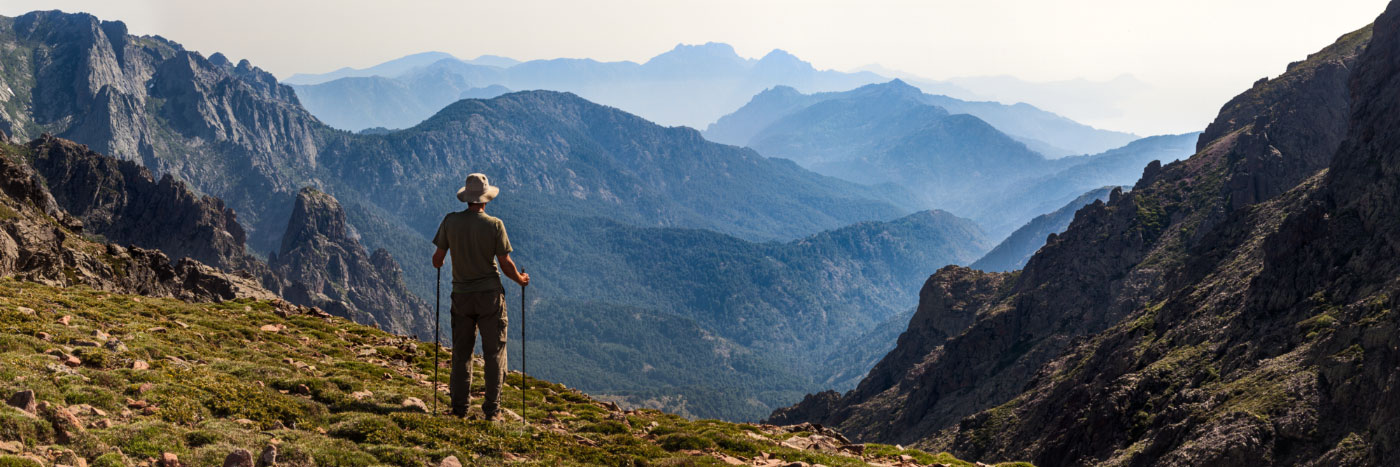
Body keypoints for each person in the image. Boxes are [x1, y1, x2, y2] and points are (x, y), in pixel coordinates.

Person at [432, 173, 529, 420]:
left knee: (461, 353)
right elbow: (505, 263)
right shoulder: (495, 225)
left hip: (461, 296)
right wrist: (520, 279)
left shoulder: (450, 222)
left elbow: (437, 260)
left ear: (467, 198)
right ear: (485, 199)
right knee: (494, 353)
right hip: (490, 297)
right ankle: (492, 411)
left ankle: (459, 409)